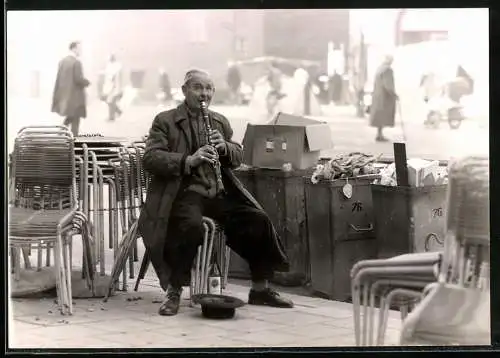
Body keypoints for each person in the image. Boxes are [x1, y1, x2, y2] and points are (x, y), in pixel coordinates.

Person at [138, 69, 293, 316]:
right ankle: (174, 290)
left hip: (218, 192)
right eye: (198, 88)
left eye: (209, 88)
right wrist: (188, 160)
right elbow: (150, 158)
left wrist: (225, 148)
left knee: (257, 220)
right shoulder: (165, 120)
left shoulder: (219, 120)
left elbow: (237, 156)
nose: (204, 94)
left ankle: (260, 289)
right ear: (184, 91)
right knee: (188, 225)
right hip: (184, 193)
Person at [51, 41, 90, 136]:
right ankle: (74, 141)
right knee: (75, 120)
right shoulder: (76, 62)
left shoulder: (62, 61)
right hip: (75, 97)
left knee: (70, 117)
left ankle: (60, 133)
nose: (80, 51)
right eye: (79, 48)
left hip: (66, 97)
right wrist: (87, 82)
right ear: (74, 49)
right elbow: (78, 79)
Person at [369, 54, 398, 142]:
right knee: (383, 115)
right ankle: (380, 134)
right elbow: (388, 84)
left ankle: (379, 134)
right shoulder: (388, 70)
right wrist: (394, 94)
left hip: (377, 95)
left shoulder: (379, 69)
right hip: (384, 97)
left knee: (379, 116)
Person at [101, 54, 123, 121]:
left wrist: (112, 85)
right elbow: (107, 74)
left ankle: (111, 117)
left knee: (110, 101)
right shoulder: (109, 65)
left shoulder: (116, 66)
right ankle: (118, 111)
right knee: (109, 101)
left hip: (113, 86)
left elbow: (112, 76)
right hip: (109, 85)